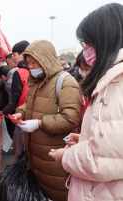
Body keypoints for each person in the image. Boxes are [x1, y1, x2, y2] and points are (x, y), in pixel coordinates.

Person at [49, 3, 123, 201]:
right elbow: (111, 147)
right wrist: (85, 139)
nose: (86, 52)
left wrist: (65, 156)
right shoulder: (110, 81)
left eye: (88, 44)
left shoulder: (117, 85)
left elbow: (100, 160)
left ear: (106, 40)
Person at [12, 40, 81, 201]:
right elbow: (28, 104)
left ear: (46, 59)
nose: (31, 67)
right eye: (28, 63)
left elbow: (70, 118)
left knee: (58, 193)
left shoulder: (66, 82)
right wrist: (20, 113)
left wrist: (39, 123)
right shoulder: (36, 82)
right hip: (36, 157)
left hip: (55, 158)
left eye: (34, 62)